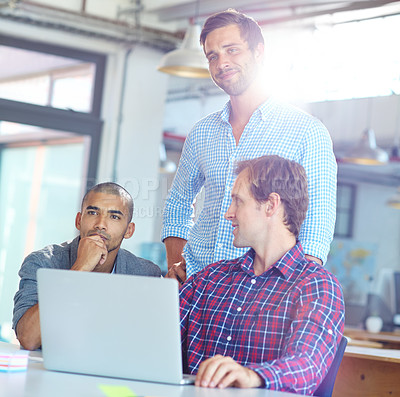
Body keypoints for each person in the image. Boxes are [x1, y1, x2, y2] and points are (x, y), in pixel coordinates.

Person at [162, 9, 337, 282]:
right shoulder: (202, 132)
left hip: (263, 292)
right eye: (213, 56)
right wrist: (176, 263)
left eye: (232, 50)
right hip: (197, 285)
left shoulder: (307, 132)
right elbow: (178, 203)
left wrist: (291, 289)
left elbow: (316, 226)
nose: (222, 63)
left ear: (258, 52)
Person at [180, 155, 344, 394]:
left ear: (271, 205)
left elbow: (306, 366)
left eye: (238, 201)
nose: (229, 213)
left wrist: (251, 376)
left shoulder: (317, 286)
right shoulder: (207, 280)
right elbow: (151, 340)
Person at [13, 182, 161, 350]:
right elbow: (28, 338)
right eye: (92, 212)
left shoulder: (146, 275)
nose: (100, 224)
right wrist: (80, 268)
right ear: (78, 220)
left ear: (129, 230)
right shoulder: (43, 262)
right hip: (52, 372)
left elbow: (150, 346)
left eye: (114, 217)